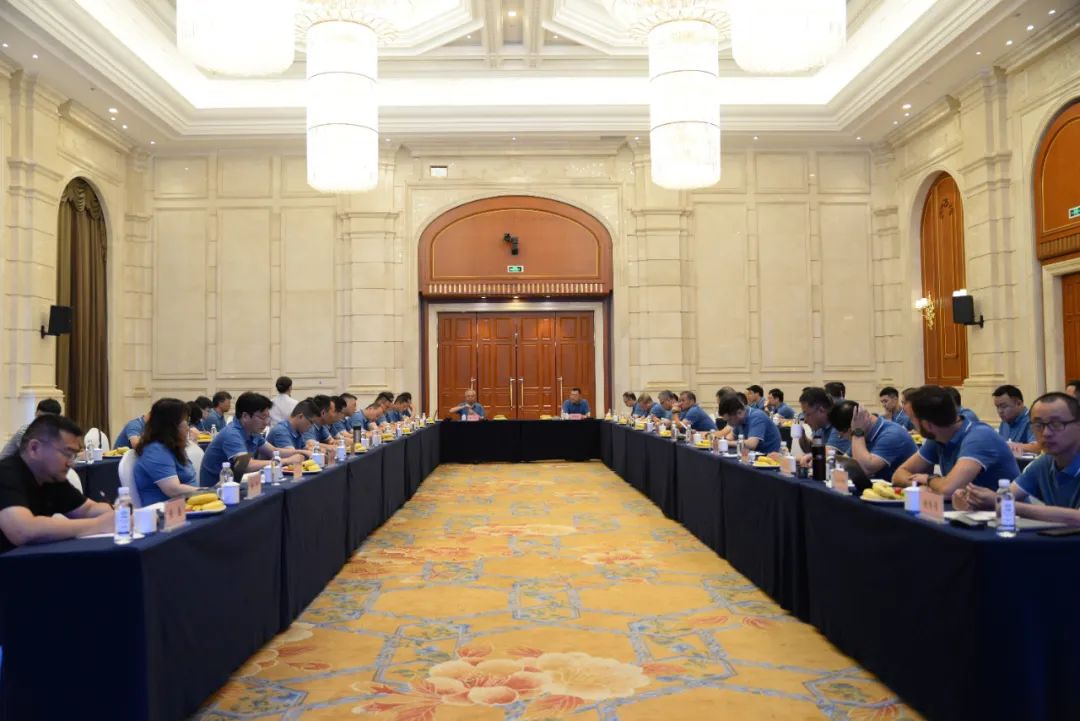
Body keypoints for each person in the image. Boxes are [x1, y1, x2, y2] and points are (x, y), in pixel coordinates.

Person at [953, 392, 1080, 524]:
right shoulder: (1044, 463)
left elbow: (1078, 518)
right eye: (1038, 425)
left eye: (1056, 424)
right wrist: (974, 497)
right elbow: (1005, 496)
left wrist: (1002, 503)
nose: (1046, 433)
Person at [0, 415, 114, 553]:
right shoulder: (6, 474)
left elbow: (87, 509)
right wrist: (97, 525)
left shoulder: (50, 478)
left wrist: (120, 512)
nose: (71, 463)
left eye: (74, 456)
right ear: (34, 448)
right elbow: (23, 530)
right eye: (67, 454)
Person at [892, 385, 1019, 494]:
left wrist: (928, 479)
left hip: (1008, 512)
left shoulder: (979, 437)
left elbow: (948, 489)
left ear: (927, 425)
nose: (912, 424)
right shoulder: (937, 436)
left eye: (912, 419)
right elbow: (899, 474)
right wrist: (921, 486)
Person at [198, 392, 306, 487]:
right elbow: (247, 465)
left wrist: (303, 452)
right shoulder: (232, 433)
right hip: (215, 490)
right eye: (262, 417)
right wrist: (287, 461)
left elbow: (274, 451)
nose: (266, 422)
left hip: (234, 485)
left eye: (267, 417)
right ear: (245, 416)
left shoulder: (252, 432)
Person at [133, 398, 201, 505]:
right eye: (186, 422)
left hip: (187, 504)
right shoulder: (155, 450)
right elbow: (173, 490)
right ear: (172, 425)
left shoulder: (173, 446)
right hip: (166, 510)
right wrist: (208, 492)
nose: (188, 427)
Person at [829, 401, 917, 482]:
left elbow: (865, 469)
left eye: (841, 433)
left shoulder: (892, 434)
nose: (840, 437)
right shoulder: (863, 435)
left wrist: (857, 432)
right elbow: (844, 465)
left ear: (851, 428)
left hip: (907, 491)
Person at [717, 394, 781, 453]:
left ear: (739, 412)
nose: (728, 423)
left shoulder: (757, 416)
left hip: (769, 457)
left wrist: (727, 443)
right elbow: (730, 437)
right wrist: (722, 441)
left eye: (729, 420)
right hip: (752, 456)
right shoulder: (739, 419)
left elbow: (751, 444)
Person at [797, 387, 851, 456]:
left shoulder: (839, 424)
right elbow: (812, 449)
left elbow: (827, 454)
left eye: (808, 414)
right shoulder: (819, 426)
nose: (805, 420)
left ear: (821, 410)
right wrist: (802, 436)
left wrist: (799, 458)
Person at [992, 384, 1038, 454]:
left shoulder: (1032, 420)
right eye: (997, 407)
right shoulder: (1005, 422)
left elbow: (1036, 447)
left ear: (1019, 403)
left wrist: (1009, 446)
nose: (1000, 411)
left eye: (1004, 406)